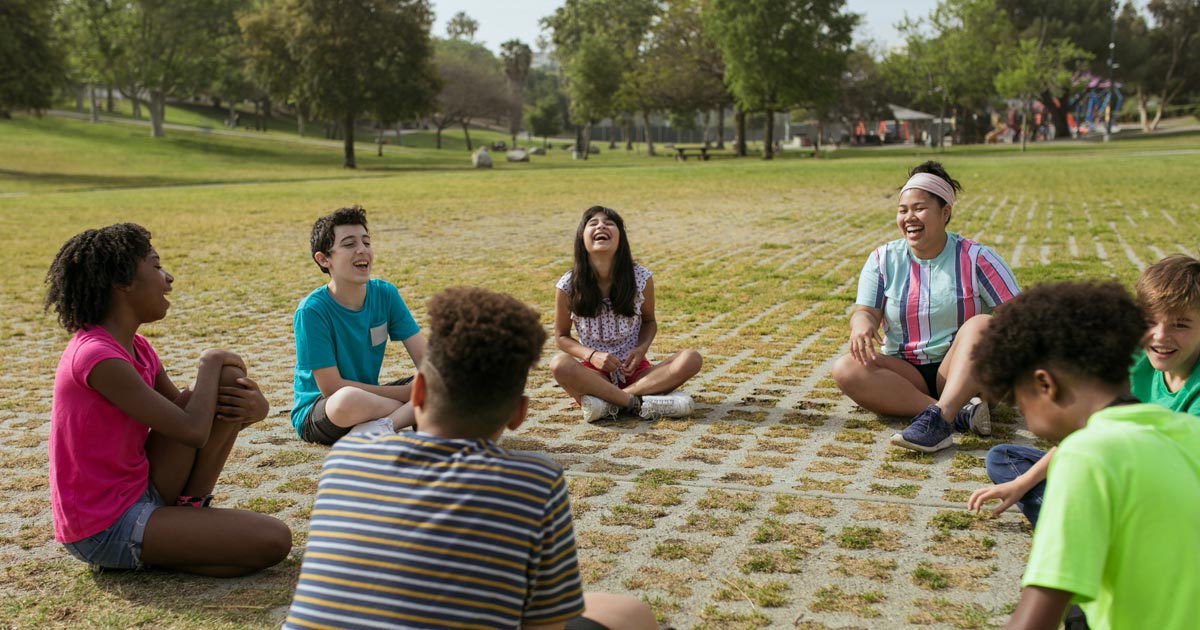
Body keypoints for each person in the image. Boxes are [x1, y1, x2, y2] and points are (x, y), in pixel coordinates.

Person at [284, 287, 656, 630]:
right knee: (631, 614)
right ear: (518, 414)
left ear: (417, 392)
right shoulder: (536, 483)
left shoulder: (346, 458)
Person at [44, 223, 291, 575]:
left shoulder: (138, 348)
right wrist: (210, 360)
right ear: (123, 281)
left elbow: (194, 419)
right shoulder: (97, 358)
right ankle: (170, 548)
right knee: (274, 539)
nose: (169, 277)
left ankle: (189, 515)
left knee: (226, 383)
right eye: (157, 266)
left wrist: (255, 409)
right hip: (104, 526)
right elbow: (192, 431)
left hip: (142, 489)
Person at [969, 281, 1200, 630]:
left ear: (1045, 385)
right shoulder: (1188, 432)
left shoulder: (1084, 455)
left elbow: (1035, 620)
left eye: (1020, 402)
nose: (1029, 422)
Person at [969, 255, 1200, 525]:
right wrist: (1020, 484)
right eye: (1150, 321)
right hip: (1118, 471)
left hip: (1170, 493)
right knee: (1004, 458)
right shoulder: (1136, 360)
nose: (1160, 335)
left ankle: (1081, 523)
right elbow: (1087, 431)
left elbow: (1175, 472)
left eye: (1180, 324)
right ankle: (1084, 521)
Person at [832, 161, 1020, 453]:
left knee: (983, 325)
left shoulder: (977, 257)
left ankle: (941, 419)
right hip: (906, 373)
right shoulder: (883, 259)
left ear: (945, 213)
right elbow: (866, 311)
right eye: (903, 210)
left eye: (919, 208)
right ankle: (954, 414)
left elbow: (1018, 315)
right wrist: (862, 325)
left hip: (962, 370)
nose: (909, 217)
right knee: (846, 368)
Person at [549, 206, 703, 422]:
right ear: (581, 238)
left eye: (609, 223)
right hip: (593, 375)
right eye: (593, 223)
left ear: (620, 238)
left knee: (691, 358)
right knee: (559, 365)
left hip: (638, 374)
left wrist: (640, 350)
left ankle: (610, 403)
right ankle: (638, 403)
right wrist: (592, 356)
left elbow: (649, 322)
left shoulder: (641, 278)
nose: (601, 225)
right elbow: (561, 337)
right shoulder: (567, 285)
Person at [291, 205, 426, 444]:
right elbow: (332, 389)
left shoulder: (385, 293)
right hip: (324, 409)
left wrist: (433, 382)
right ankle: (414, 411)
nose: (362, 250)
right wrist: (410, 394)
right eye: (349, 244)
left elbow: (426, 360)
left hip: (372, 401)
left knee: (448, 377)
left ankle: (385, 425)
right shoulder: (311, 310)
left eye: (366, 242)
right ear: (324, 259)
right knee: (348, 400)